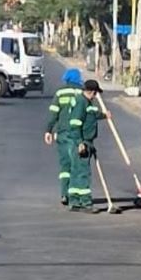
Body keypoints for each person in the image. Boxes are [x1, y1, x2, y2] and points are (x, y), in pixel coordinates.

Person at [65, 79, 111, 213]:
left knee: (76, 172)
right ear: (92, 92)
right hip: (81, 142)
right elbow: (75, 124)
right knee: (83, 173)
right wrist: (80, 143)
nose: (96, 96)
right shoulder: (81, 102)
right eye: (95, 93)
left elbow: (92, 114)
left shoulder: (87, 102)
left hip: (86, 141)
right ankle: (86, 203)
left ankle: (74, 201)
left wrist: (104, 115)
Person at [44, 68, 84, 206]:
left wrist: (48, 130)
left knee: (65, 164)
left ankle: (64, 193)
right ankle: (75, 195)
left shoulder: (60, 93)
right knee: (77, 164)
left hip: (62, 133)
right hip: (78, 134)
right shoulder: (82, 93)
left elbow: (54, 113)